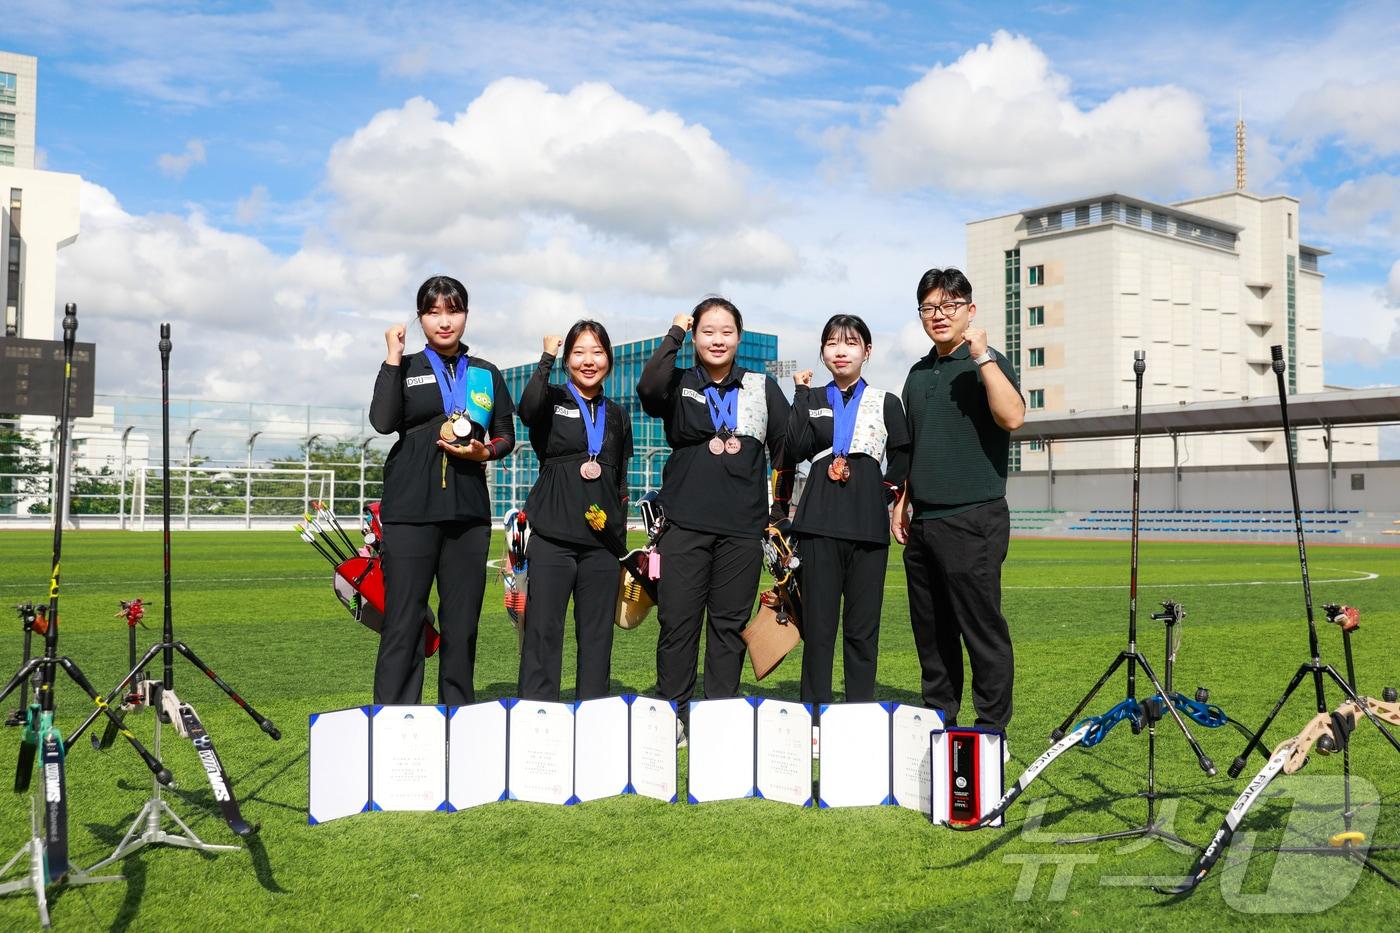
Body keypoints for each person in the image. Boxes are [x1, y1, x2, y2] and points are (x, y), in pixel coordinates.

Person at [637, 296, 793, 737]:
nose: (717, 340)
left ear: (739, 337)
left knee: (728, 626)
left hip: (742, 532)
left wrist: (778, 510)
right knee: (678, 623)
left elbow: (786, 447)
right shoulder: (679, 381)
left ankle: (718, 716)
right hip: (683, 525)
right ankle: (674, 713)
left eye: (726, 331)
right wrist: (674, 333)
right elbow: (648, 389)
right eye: (707, 331)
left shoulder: (761, 386)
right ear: (695, 337)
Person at [368, 274, 516, 706]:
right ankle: (396, 719)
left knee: (462, 625)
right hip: (409, 512)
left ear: (466, 315)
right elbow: (382, 421)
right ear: (420, 318)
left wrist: (485, 452)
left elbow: (505, 435)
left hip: (468, 516)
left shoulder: (486, 373)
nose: (444, 321)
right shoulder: (407, 366)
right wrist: (392, 356)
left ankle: (457, 717)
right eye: (433, 313)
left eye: (453, 311)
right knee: (403, 621)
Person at [892, 267, 1024, 731]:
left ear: (970, 310)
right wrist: (902, 500)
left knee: (981, 628)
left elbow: (1013, 418)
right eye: (929, 307)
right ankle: (939, 717)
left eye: (949, 305)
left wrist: (983, 356)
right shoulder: (916, 374)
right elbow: (914, 445)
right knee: (932, 631)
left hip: (974, 517)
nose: (939, 315)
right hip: (924, 522)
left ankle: (991, 727)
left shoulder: (988, 363)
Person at [786, 314, 909, 707]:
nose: (841, 351)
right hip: (817, 526)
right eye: (832, 343)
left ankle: (860, 713)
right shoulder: (813, 398)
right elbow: (793, 447)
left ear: (867, 351)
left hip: (867, 527)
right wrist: (800, 394)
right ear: (822, 352)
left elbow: (903, 456)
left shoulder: (886, 401)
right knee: (819, 630)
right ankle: (815, 715)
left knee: (862, 631)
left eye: (851, 343)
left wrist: (883, 494)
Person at [515, 321, 633, 702]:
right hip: (552, 539)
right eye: (579, 352)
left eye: (597, 352)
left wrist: (620, 545)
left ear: (609, 360)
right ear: (567, 360)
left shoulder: (618, 415)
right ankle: (537, 715)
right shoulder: (551, 400)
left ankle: (593, 714)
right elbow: (527, 410)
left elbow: (620, 483)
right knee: (542, 634)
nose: (588, 361)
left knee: (598, 638)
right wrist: (545, 359)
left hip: (601, 546)